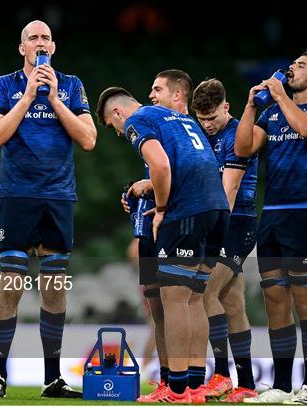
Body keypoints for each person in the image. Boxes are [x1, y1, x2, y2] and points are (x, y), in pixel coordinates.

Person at [0, 20, 96, 398]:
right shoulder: (5, 85)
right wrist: (29, 97)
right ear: (22, 48)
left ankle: (53, 379)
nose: (40, 43)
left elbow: (88, 139)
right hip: (16, 194)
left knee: (54, 288)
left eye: (45, 37)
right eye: (33, 38)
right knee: (11, 281)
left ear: (53, 47)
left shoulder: (73, 84)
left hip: (58, 196)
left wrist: (56, 99)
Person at [97, 86, 229, 403]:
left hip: (186, 213)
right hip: (217, 210)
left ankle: (177, 389)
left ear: (117, 112)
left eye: (113, 127)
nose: (118, 132)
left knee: (174, 302)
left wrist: (161, 209)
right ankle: (195, 387)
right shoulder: (177, 118)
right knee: (195, 299)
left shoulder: (138, 120)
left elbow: (161, 166)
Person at [235, 50, 307, 405]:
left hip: (306, 214)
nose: (290, 70)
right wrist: (251, 107)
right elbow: (243, 147)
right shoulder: (271, 113)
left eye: (300, 66)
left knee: (305, 300)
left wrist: (280, 95)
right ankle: (282, 386)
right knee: (274, 300)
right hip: (273, 215)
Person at [191, 79, 258, 402]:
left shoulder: (238, 134)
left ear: (226, 108)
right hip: (218, 221)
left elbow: (229, 189)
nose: (207, 125)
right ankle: (245, 383)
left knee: (206, 293)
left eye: (212, 118)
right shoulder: (201, 134)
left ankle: (220, 375)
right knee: (232, 302)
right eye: (201, 119)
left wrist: (214, 230)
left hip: (236, 221)